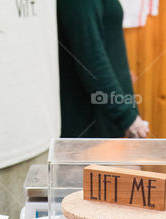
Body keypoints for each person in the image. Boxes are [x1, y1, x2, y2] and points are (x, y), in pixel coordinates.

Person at [56, 0, 150, 138]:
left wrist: (122, 74)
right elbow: (90, 56)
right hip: (88, 120)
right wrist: (126, 116)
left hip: (107, 114)